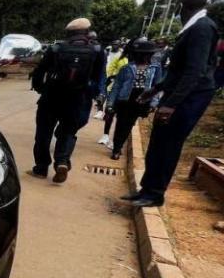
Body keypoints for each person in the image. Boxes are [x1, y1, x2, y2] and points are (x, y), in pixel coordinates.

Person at [124, 0, 220, 207]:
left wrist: (171, 105)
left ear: (183, 7)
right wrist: (156, 89)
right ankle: (146, 189)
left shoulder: (202, 29)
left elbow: (193, 72)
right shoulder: (194, 27)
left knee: (168, 144)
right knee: (158, 142)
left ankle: (155, 194)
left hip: (190, 97)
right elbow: (179, 71)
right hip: (179, 93)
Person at [29, 17, 106, 183]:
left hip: (51, 98)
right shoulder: (97, 51)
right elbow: (99, 77)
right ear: (86, 32)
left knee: (43, 133)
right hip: (77, 99)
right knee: (68, 132)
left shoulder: (56, 49)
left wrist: (41, 89)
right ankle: (62, 162)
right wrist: (90, 95)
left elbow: (39, 72)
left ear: (68, 32)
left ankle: (41, 168)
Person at [104, 38, 162, 161]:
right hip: (125, 99)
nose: (143, 56)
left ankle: (118, 146)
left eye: (146, 54)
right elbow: (117, 86)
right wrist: (110, 103)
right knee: (120, 124)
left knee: (129, 124)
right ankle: (117, 149)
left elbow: (157, 87)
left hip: (142, 100)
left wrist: (154, 102)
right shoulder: (126, 68)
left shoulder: (155, 68)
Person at [97, 47, 129, 145]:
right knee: (109, 112)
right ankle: (105, 135)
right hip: (114, 88)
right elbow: (109, 70)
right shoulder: (119, 58)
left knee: (122, 117)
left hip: (128, 92)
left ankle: (117, 141)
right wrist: (111, 79)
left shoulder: (142, 61)